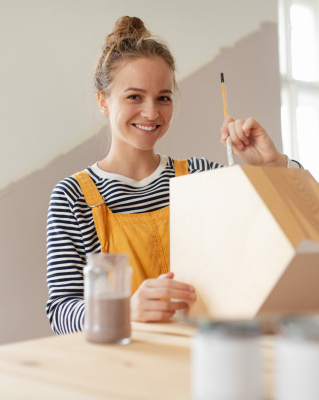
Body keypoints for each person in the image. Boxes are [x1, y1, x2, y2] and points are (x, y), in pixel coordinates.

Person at [46, 16, 301, 335]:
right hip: (126, 368)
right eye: (134, 96)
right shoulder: (73, 197)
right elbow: (61, 312)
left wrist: (273, 165)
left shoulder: (199, 176)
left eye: (163, 98)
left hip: (206, 354)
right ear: (103, 102)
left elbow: (296, 230)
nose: (152, 113)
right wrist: (126, 308)